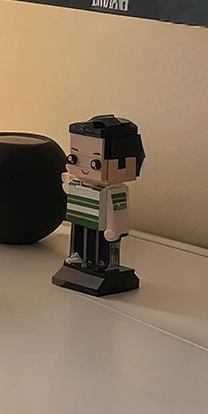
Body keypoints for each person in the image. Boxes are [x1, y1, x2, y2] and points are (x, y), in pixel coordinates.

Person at [52, 115, 144, 297]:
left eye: (95, 163)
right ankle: (77, 257)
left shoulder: (115, 190)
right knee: (78, 236)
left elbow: (118, 210)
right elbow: (68, 190)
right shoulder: (79, 183)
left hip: (101, 224)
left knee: (99, 243)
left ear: (122, 163)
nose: (85, 167)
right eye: (74, 158)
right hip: (81, 217)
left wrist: (115, 228)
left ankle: (101, 264)